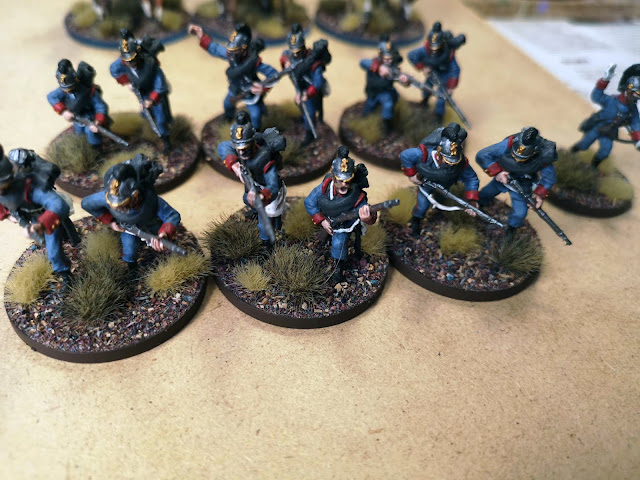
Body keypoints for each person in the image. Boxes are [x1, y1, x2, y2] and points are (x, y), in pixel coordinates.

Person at [81, 153, 180, 277]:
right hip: (127, 228)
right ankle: (132, 268)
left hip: (151, 222)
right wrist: (111, 221)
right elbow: (87, 204)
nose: (119, 209)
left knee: (167, 243)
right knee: (129, 250)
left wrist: (164, 233)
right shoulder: (109, 197)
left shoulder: (151, 202)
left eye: (123, 205)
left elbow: (172, 215)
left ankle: (173, 256)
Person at [0, 146, 74, 285]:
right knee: (47, 243)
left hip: (45, 217)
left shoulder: (30, 188)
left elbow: (59, 205)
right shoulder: (4, 193)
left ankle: (67, 277)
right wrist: (10, 216)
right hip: (30, 219)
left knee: (54, 254)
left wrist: (40, 225)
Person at [304, 146, 377, 283]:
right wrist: (322, 221)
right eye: (340, 180)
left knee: (339, 243)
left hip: (344, 224)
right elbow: (309, 202)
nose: (344, 184)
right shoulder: (324, 188)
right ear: (333, 177)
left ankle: (338, 267)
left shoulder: (355, 194)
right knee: (322, 237)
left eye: (347, 181)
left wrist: (367, 217)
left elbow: (366, 211)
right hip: (327, 218)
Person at [188, 22, 278, 130]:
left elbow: (273, 74)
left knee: (255, 115)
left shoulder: (254, 62)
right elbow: (216, 49)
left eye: (235, 51)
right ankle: (228, 119)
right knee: (227, 104)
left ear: (243, 49)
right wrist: (201, 36)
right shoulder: (231, 54)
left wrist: (263, 87)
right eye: (231, 50)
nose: (231, 53)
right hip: (235, 88)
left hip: (250, 91)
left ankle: (256, 133)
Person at [217, 112, 287, 249]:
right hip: (252, 185)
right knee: (246, 199)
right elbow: (222, 147)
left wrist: (261, 196)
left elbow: (273, 185)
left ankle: (267, 244)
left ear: (252, 142)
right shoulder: (238, 150)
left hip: (266, 190)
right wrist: (234, 164)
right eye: (238, 148)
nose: (241, 152)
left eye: (245, 148)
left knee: (265, 222)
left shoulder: (264, 158)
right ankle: (258, 213)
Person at [401, 123, 479, 237]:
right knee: (422, 206)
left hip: (445, 187)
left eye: (453, 162)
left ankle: (438, 212)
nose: (451, 165)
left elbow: (471, 178)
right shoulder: (425, 154)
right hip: (426, 186)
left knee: (442, 201)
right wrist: (412, 175)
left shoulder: (460, 163)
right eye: (447, 162)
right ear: (439, 154)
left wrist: (471, 200)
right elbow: (405, 155)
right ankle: (416, 221)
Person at [476, 127, 557, 234]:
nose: (517, 160)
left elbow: (549, 178)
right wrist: (498, 172)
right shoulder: (510, 142)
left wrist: (539, 194)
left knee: (520, 213)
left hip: (523, 186)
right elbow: (483, 155)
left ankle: (511, 229)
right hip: (504, 177)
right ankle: (478, 206)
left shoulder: (543, 155)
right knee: (485, 193)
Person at [110, 29, 173, 153]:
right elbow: (113, 70)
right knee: (146, 115)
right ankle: (151, 131)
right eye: (127, 61)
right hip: (141, 92)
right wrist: (127, 82)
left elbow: (159, 84)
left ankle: (166, 140)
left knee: (161, 119)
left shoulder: (150, 63)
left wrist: (151, 100)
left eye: (132, 60)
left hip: (155, 94)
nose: (130, 63)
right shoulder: (122, 63)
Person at [571, 64, 640, 168]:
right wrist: (605, 80)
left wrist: (638, 139)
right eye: (636, 93)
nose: (637, 97)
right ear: (628, 90)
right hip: (597, 126)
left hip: (610, 132)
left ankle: (592, 168)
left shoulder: (632, 110)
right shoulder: (611, 100)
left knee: (605, 152)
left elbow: (636, 124)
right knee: (584, 145)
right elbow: (596, 96)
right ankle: (570, 154)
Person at [280, 24, 331, 146]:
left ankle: (309, 133)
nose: (295, 55)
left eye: (297, 52)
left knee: (310, 112)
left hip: (311, 91)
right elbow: (284, 54)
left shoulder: (314, 63)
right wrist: (285, 61)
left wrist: (306, 94)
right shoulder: (290, 55)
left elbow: (317, 83)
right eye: (293, 52)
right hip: (299, 86)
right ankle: (304, 116)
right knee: (300, 105)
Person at [407, 21, 465, 122]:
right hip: (432, 73)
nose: (434, 50)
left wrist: (450, 87)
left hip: (444, 76)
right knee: (426, 88)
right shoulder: (425, 50)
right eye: (432, 47)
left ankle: (438, 117)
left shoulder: (448, 54)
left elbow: (455, 70)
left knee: (441, 97)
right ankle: (424, 102)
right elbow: (412, 55)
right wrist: (423, 67)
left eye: (437, 47)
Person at [47, 59, 109, 150]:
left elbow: (100, 106)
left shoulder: (88, 90)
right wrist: (63, 111)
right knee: (79, 134)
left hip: (90, 115)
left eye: (70, 87)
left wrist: (98, 121)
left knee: (91, 133)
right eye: (65, 89)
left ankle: (98, 151)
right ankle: (85, 150)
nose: (68, 91)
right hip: (76, 117)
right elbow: (51, 97)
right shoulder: (62, 90)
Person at [360, 35, 409, 135]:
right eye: (386, 59)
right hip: (373, 91)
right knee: (369, 107)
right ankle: (364, 118)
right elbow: (363, 62)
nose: (389, 61)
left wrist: (404, 80)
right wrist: (379, 68)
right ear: (381, 57)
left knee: (388, 105)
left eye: (391, 58)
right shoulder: (374, 63)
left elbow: (402, 80)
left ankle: (387, 127)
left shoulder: (393, 67)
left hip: (385, 91)